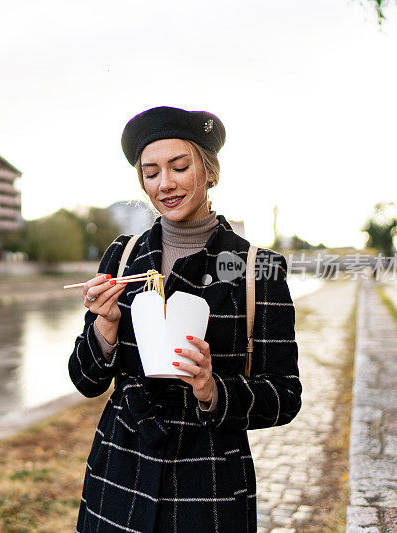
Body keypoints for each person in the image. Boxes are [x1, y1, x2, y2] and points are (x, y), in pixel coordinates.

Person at [69, 106, 301, 532]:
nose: (165, 183)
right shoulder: (122, 257)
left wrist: (212, 388)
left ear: (209, 172)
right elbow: (85, 382)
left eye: (179, 166)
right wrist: (103, 328)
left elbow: (285, 396)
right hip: (119, 473)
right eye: (151, 172)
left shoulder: (257, 268)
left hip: (209, 481)